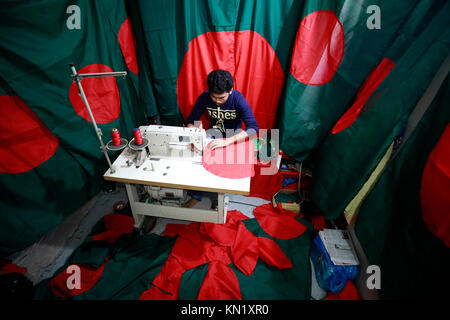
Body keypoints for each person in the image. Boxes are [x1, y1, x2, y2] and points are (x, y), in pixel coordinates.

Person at [184, 69, 258, 208]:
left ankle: (220, 197)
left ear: (230, 90)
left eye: (221, 97)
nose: (217, 101)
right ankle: (196, 195)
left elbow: (253, 127)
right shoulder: (205, 97)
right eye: (214, 97)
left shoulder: (238, 98)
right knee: (197, 159)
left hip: (232, 135)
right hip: (213, 133)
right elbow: (191, 120)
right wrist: (193, 138)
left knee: (227, 164)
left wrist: (227, 141)